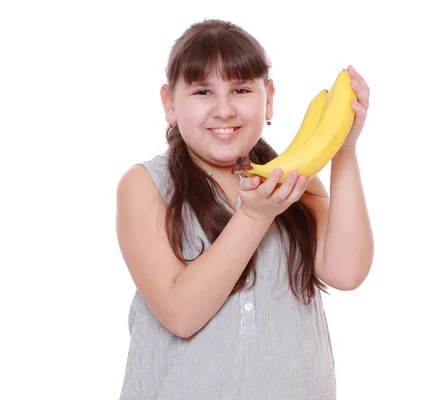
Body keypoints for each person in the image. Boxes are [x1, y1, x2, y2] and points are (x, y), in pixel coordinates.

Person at [115, 18, 374, 400]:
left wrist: (344, 150)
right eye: (203, 91)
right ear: (170, 104)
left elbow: (347, 271)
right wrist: (254, 216)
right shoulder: (146, 185)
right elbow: (180, 314)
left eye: (240, 89)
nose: (224, 110)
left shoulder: (292, 183)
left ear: (268, 98)